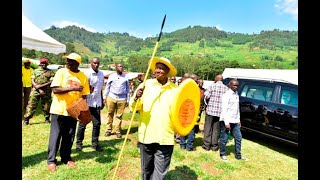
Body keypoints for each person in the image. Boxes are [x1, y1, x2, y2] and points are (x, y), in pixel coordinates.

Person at [129, 57, 178, 180]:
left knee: (160, 172)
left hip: (166, 136)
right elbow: (133, 107)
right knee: (146, 170)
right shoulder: (146, 85)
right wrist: (136, 98)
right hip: (147, 135)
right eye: (157, 67)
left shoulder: (175, 90)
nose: (158, 70)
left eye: (162, 68)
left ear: (167, 71)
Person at [47, 53, 90, 172]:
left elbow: (84, 95)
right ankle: (51, 160)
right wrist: (73, 88)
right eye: (67, 60)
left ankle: (66, 158)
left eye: (71, 61)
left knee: (69, 136)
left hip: (73, 111)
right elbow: (55, 89)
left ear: (77, 63)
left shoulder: (83, 76)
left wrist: (82, 109)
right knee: (56, 136)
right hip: (59, 109)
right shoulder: (61, 72)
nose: (68, 63)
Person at [76, 57, 105, 151]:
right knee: (83, 124)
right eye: (94, 63)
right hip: (87, 103)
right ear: (91, 63)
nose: (96, 65)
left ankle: (95, 144)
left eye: (97, 63)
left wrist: (102, 100)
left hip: (97, 103)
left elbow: (100, 88)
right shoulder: (86, 74)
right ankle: (79, 143)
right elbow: (82, 89)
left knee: (97, 124)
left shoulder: (101, 74)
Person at [219, 79, 247, 161]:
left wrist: (238, 120)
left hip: (235, 120)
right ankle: (223, 154)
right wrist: (226, 123)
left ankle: (238, 156)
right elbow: (224, 109)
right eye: (234, 85)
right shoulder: (226, 95)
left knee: (238, 138)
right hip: (226, 120)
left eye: (237, 85)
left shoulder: (236, 94)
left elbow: (237, 109)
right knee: (224, 138)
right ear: (230, 85)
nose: (236, 87)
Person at [23, 58, 55, 125]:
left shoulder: (51, 72)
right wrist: (37, 88)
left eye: (45, 63)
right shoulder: (35, 71)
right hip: (35, 91)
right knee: (31, 105)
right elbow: (32, 80)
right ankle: (26, 120)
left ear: (47, 64)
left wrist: (40, 86)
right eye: (42, 63)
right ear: (40, 64)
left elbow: (51, 82)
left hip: (46, 91)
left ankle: (47, 119)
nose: (43, 64)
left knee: (46, 105)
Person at [103, 63, 130, 138]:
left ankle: (117, 131)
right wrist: (104, 97)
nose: (121, 68)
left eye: (122, 66)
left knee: (119, 116)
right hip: (111, 97)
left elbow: (128, 89)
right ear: (116, 68)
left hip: (122, 99)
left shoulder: (126, 77)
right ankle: (108, 130)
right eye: (119, 66)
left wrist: (128, 99)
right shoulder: (112, 76)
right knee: (110, 114)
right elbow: (107, 86)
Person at [202, 74, 228, 151]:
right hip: (220, 112)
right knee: (216, 129)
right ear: (222, 80)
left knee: (208, 128)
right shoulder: (226, 88)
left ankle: (206, 145)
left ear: (216, 79)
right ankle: (214, 146)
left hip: (210, 111)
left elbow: (206, 96)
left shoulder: (212, 86)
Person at [179, 74, 198, 151]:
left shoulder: (183, 86)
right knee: (191, 129)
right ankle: (189, 146)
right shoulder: (194, 87)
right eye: (196, 79)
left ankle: (182, 144)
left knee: (183, 127)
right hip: (191, 110)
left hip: (183, 109)